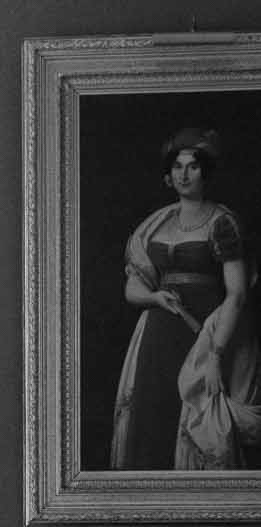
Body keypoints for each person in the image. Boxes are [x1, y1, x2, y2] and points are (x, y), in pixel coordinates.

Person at [111, 127, 261, 470]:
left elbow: (237, 295)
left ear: (205, 171)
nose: (184, 174)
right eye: (177, 167)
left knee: (198, 418)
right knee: (153, 418)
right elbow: (132, 288)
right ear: (168, 175)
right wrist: (154, 297)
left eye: (192, 166)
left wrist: (215, 356)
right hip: (158, 336)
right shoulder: (156, 225)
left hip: (205, 335)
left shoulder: (223, 223)